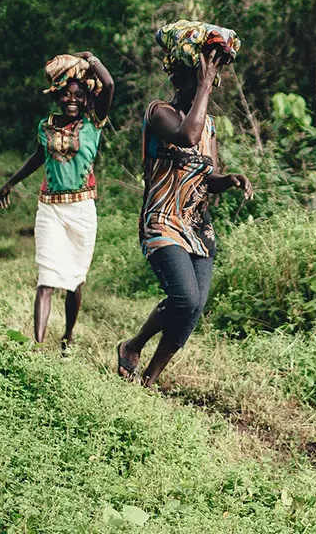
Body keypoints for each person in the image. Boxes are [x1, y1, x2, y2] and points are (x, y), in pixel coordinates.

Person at [116, 20, 253, 389]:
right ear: (179, 78)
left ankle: (150, 380)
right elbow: (186, 136)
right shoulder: (159, 112)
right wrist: (205, 84)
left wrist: (230, 180)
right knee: (183, 297)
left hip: (198, 226)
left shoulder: (209, 126)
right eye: (199, 78)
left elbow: (207, 176)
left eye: (209, 80)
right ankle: (132, 347)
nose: (207, 86)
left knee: (194, 308)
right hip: (161, 220)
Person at [0, 51, 114, 354]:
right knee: (46, 278)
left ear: (87, 100)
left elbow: (109, 85)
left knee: (75, 280)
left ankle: (68, 338)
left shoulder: (93, 123)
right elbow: (38, 157)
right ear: (57, 96)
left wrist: (91, 59)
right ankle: (37, 345)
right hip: (50, 208)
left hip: (82, 210)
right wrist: (10, 183)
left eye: (78, 95)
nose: (72, 100)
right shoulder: (44, 127)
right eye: (66, 94)